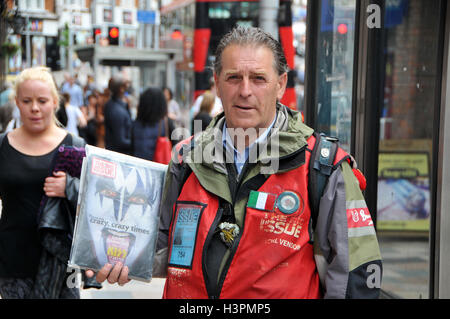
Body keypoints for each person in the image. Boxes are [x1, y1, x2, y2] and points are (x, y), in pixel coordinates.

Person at [87, 26, 382, 299]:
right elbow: (160, 248)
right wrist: (118, 259)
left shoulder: (324, 168)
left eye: (258, 78)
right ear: (216, 83)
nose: (244, 91)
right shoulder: (185, 159)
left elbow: (356, 274)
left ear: (280, 85)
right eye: (233, 78)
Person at [0, 67, 85, 298]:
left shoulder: (74, 146)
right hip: (13, 263)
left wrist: (69, 187)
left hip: (62, 264)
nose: (34, 108)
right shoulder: (2, 145)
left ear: (55, 102)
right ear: (17, 102)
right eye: (27, 101)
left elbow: (98, 201)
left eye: (42, 100)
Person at [131, 87, 177, 161]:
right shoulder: (166, 123)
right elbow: (177, 146)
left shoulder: (135, 124)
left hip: (137, 167)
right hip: (159, 167)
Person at [103, 75, 132, 155]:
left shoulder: (112, 105)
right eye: (126, 84)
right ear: (121, 89)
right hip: (120, 155)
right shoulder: (117, 111)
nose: (128, 85)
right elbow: (121, 141)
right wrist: (137, 143)